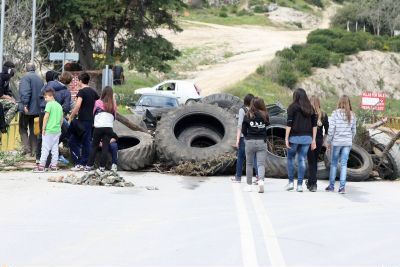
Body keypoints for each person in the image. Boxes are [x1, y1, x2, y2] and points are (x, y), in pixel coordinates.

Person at [36, 71, 72, 164]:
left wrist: (42, 106)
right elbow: (67, 107)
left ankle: (39, 158)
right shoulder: (66, 92)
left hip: (43, 111)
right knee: (65, 130)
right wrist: (60, 109)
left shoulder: (49, 84)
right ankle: (54, 157)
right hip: (56, 114)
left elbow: (40, 95)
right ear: (69, 82)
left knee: (42, 134)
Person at [285, 88, 317, 192]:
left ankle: (290, 183)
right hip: (307, 138)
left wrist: (286, 138)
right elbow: (314, 126)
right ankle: (299, 185)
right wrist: (313, 140)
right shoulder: (311, 108)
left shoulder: (292, 107)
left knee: (290, 158)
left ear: (295, 96)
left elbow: (289, 124)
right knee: (302, 159)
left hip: (294, 137)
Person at [68, 72, 99, 171]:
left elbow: (77, 105)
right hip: (90, 120)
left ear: (81, 81)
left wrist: (71, 116)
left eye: (78, 81)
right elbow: (97, 105)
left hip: (82, 121)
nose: (77, 83)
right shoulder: (93, 92)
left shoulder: (81, 92)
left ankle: (83, 163)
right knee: (83, 141)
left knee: (76, 141)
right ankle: (83, 163)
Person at [326, 95, 356, 194]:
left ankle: (331, 186)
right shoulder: (352, 115)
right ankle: (342, 188)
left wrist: (328, 142)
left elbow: (331, 129)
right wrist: (350, 140)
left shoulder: (335, 114)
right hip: (347, 143)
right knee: (344, 165)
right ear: (348, 103)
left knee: (334, 164)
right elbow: (354, 131)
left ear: (339, 102)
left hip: (337, 142)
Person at [85, 86, 117, 172]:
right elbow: (114, 117)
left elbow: (94, 113)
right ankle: (102, 167)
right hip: (108, 128)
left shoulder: (98, 102)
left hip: (98, 127)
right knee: (105, 147)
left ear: (103, 93)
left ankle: (89, 166)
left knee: (94, 146)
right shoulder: (113, 103)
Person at [242, 97, 270, 193]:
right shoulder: (265, 115)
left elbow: (243, 130)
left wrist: (247, 137)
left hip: (250, 142)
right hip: (261, 142)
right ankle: (261, 181)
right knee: (260, 164)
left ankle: (249, 186)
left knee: (249, 164)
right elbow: (267, 124)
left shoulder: (247, 115)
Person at [33, 88, 63, 172]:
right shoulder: (59, 105)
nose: (45, 99)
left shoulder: (49, 105)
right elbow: (61, 119)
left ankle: (41, 166)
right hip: (57, 131)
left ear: (51, 96)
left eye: (46, 97)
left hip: (49, 130)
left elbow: (46, 117)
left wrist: (43, 128)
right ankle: (54, 166)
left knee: (45, 148)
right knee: (55, 149)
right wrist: (59, 128)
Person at [18, 63, 44, 156]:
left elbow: (26, 92)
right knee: (34, 130)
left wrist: (25, 104)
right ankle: (34, 151)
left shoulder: (26, 78)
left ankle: (27, 150)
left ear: (26, 69)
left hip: (28, 109)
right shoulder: (40, 79)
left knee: (22, 128)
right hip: (37, 109)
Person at [233, 94, 258, 183]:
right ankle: (258, 177)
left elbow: (240, 125)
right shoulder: (255, 110)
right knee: (254, 157)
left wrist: (237, 140)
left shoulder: (242, 110)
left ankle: (238, 177)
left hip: (244, 137)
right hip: (254, 137)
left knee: (240, 157)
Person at [306, 95, 329, 192]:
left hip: (310, 139)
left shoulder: (308, 114)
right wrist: (324, 140)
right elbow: (327, 130)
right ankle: (311, 182)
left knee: (311, 162)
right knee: (314, 161)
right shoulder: (324, 114)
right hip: (319, 140)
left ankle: (313, 184)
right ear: (319, 103)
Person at [0, 61, 18, 130]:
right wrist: (10, 99)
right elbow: (0, 94)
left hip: (2, 100)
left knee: (14, 103)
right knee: (15, 105)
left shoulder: (6, 79)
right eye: (12, 69)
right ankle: (4, 123)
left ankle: (3, 120)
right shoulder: (1, 78)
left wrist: (11, 98)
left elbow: (8, 92)